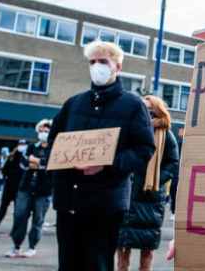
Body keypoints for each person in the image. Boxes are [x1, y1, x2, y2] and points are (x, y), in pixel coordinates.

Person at [49, 40, 156, 271]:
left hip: (105, 204)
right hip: (69, 200)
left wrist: (108, 164)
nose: (97, 66)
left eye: (103, 61)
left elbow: (144, 149)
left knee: (97, 264)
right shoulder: (73, 103)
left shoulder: (133, 105)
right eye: (92, 62)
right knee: (67, 264)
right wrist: (63, 161)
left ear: (118, 67)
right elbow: (53, 143)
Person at [116, 95, 179, 271]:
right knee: (122, 245)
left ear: (158, 112)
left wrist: (156, 180)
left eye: (150, 110)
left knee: (147, 247)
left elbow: (173, 162)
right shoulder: (130, 130)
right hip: (128, 192)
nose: (146, 114)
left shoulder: (166, 135)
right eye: (143, 109)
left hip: (151, 196)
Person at [6, 120, 54, 258]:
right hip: (25, 188)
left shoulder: (54, 149)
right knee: (19, 216)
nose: (43, 133)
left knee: (38, 220)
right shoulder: (31, 147)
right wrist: (39, 163)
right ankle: (16, 246)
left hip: (44, 190)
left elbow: (51, 166)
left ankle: (32, 247)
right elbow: (23, 163)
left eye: (46, 131)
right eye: (41, 130)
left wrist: (36, 161)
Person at [0, 139, 28, 236]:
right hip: (10, 186)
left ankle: (13, 230)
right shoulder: (12, 156)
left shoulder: (25, 157)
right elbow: (4, 170)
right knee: (4, 209)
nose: (21, 146)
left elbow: (6, 171)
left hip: (19, 187)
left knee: (16, 211)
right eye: (20, 144)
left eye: (23, 144)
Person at [168, 126, 184, 220]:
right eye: (180, 130)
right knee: (174, 189)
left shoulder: (185, 144)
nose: (180, 132)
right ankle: (174, 210)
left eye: (182, 130)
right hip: (176, 171)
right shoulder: (177, 143)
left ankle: (177, 211)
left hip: (183, 170)